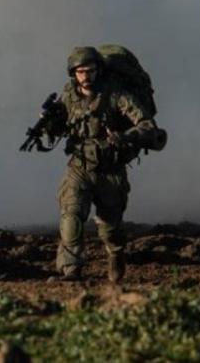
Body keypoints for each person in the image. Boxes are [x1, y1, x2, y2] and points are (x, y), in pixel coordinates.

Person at [45, 46, 158, 282]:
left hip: (110, 170)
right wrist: (48, 124)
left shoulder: (116, 95)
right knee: (71, 215)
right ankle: (71, 269)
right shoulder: (69, 97)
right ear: (73, 73)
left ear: (98, 71)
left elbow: (147, 125)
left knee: (110, 229)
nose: (86, 76)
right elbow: (59, 128)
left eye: (90, 71)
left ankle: (116, 255)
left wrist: (125, 137)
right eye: (80, 72)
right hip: (80, 166)